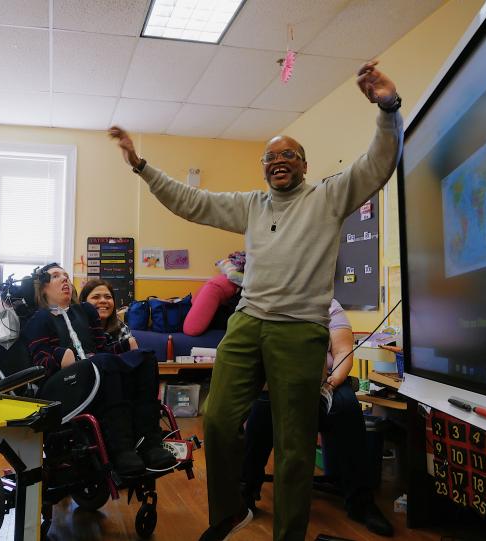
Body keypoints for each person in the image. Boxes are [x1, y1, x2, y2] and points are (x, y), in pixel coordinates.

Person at [109, 60, 403, 541]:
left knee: (293, 446)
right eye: (270, 157)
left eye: (288, 155)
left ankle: (289, 534)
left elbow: (377, 163)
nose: (278, 161)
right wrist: (142, 168)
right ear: (263, 167)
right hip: (247, 323)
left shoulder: (328, 197)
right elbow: (191, 200)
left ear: (304, 165)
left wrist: (387, 108)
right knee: (220, 423)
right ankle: (230, 513)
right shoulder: (251, 205)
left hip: (300, 329)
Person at [241, 299, 393, 536]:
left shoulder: (329, 305)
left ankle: (360, 502)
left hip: (326, 382)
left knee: (347, 406)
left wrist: (332, 382)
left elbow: (343, 351)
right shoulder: (267, 302)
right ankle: (246, 494)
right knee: (261, 410)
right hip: (278, 384)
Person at [22, 263, 176, 475]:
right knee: (103, 361)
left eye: (66, 275)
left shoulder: (84, 311)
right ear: (42, 287)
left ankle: (150, 444)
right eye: (56, 276)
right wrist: (59, 357)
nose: (65, 279)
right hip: (62, 386)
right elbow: (40, 362)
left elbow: (103, 348)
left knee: (145, 357)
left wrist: (125, 346)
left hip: (95, 372)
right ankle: (121, 450)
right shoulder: (38, 320)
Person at [79, 278, 138, 353]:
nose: (103, 301)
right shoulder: (75, 329)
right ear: (84, 302)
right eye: (96, 297)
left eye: (108, 297)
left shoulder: (121, 328)